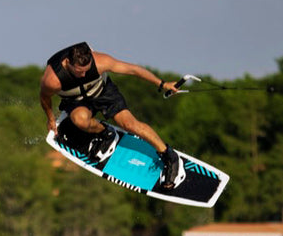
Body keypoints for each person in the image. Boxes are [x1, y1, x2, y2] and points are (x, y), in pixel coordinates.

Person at [39, 41, 183, 188]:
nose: (83, 75)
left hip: (104, 92)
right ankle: (105, 133)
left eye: (86, 70)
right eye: (79, 71)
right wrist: (50, 119)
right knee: (79, 120)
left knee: (129, 124)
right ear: (67, 63)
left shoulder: (100, 62)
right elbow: (44, 97)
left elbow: (133, 70)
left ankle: (169, 156)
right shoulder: (53, 80)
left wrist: (162, 83)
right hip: (77, 101)